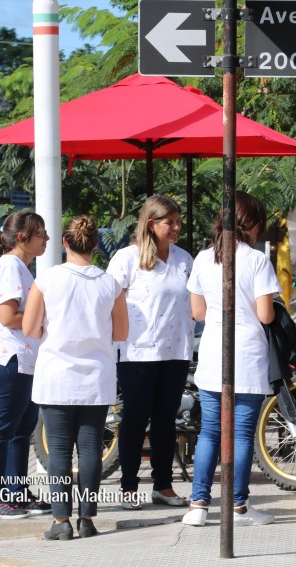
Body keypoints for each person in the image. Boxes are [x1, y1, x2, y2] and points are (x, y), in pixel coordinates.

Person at [23, 216, 129, 540]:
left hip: (56, 378)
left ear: (65, 243)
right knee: (90, 449)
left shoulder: (47, 280)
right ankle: (87, 519)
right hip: (96, 379)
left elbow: (29, 328)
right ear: (96, 245)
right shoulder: (110, 284)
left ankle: (60, 522)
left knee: (58, 451)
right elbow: (122, 332)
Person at [181, 191, 281, 527]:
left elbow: (197, 312)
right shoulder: (256, 260)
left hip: (212, 351)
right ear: (250, 223)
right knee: (241, 434)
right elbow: (266, 316)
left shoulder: (202, 258)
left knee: (209, 431)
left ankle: (197, 505)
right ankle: (238, 506)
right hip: (248, 353)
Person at [106, 196, 195, 510]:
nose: (176, 227)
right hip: (137, 353)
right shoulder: (126, 259)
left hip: (176, 351)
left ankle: (163, 485)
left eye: (177, 220)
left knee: (165, 421)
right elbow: (108, 301)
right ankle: (129, 486)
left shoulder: (185, 259)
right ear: (151, 223)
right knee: (134, 420)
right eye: (169, 221)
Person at [0, 211, 51, 519]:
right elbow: (8, 317)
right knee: (2, 428)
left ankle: (16, 492)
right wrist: (44, 322)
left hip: (22, 359)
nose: (46, 239)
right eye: (41, 234)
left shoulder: (20, 267)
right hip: (7, 358)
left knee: (22, 430)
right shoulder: (10, 266)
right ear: (23, 237)